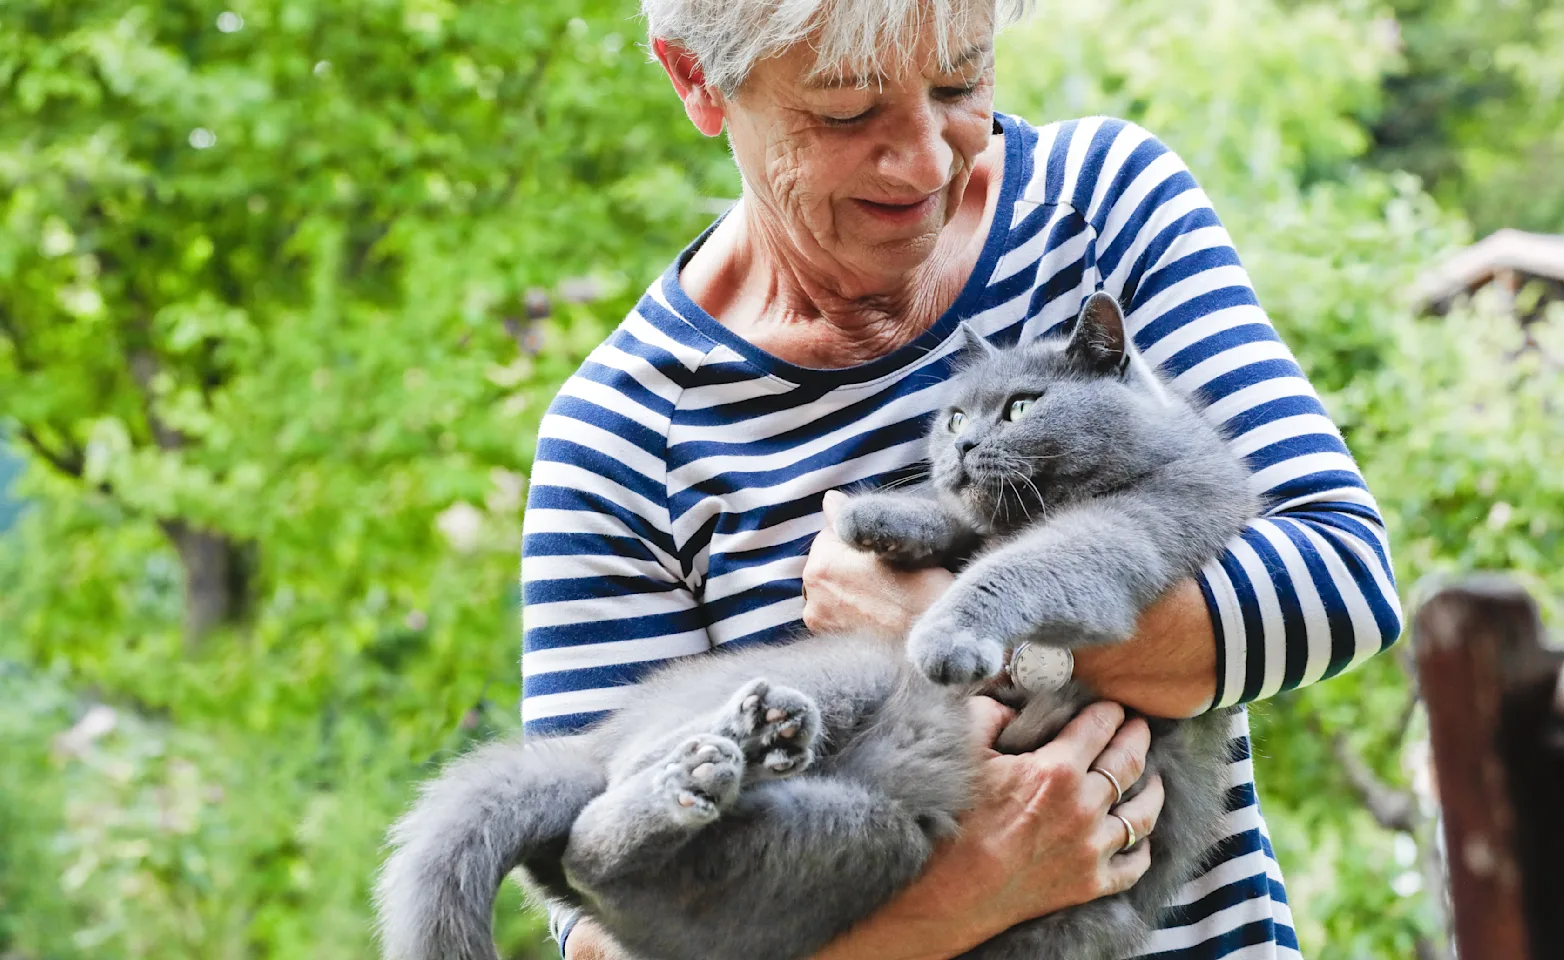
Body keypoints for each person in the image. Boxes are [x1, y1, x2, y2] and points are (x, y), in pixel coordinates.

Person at [519, 1, 1402, 957]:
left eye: (959, 83)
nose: (929, 161)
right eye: (848, 112)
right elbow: (608, 922)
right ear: (696, 78)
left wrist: (961, 630)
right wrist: (959, 903)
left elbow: (1342, 580)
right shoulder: (622, 438)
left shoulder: (1097, 206)